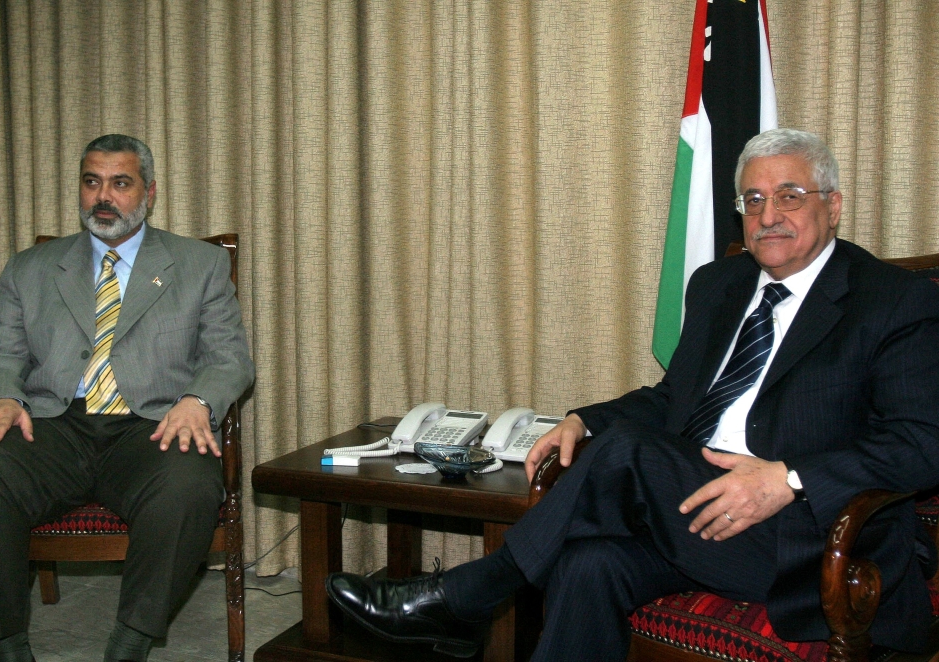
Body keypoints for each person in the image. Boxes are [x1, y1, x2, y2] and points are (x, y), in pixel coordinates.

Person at [325, 128, 939, 660]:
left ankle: (469, 595)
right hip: (694, 514)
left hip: (808, 538)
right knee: (588, 562)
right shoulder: (718, 285)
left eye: (789, 196)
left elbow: (922, 443)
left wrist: (788, 478)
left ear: (833, 206)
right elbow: (675, 397)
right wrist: (581, 420)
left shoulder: (892, 301)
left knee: (626, 453)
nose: (768, 215)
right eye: (753, 199)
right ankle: (469, 603)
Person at [0, 134, 254, 662]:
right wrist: (1, 396)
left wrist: (198, 401)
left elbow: (229, 358)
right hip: (50, 427)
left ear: (148, 193)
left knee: (187, 484)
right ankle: (8, 646)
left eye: (120, 183)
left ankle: (128, 645)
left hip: (150, 426)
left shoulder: (198, 265)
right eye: (92, 182)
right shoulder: (31, 267)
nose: (103, 196)